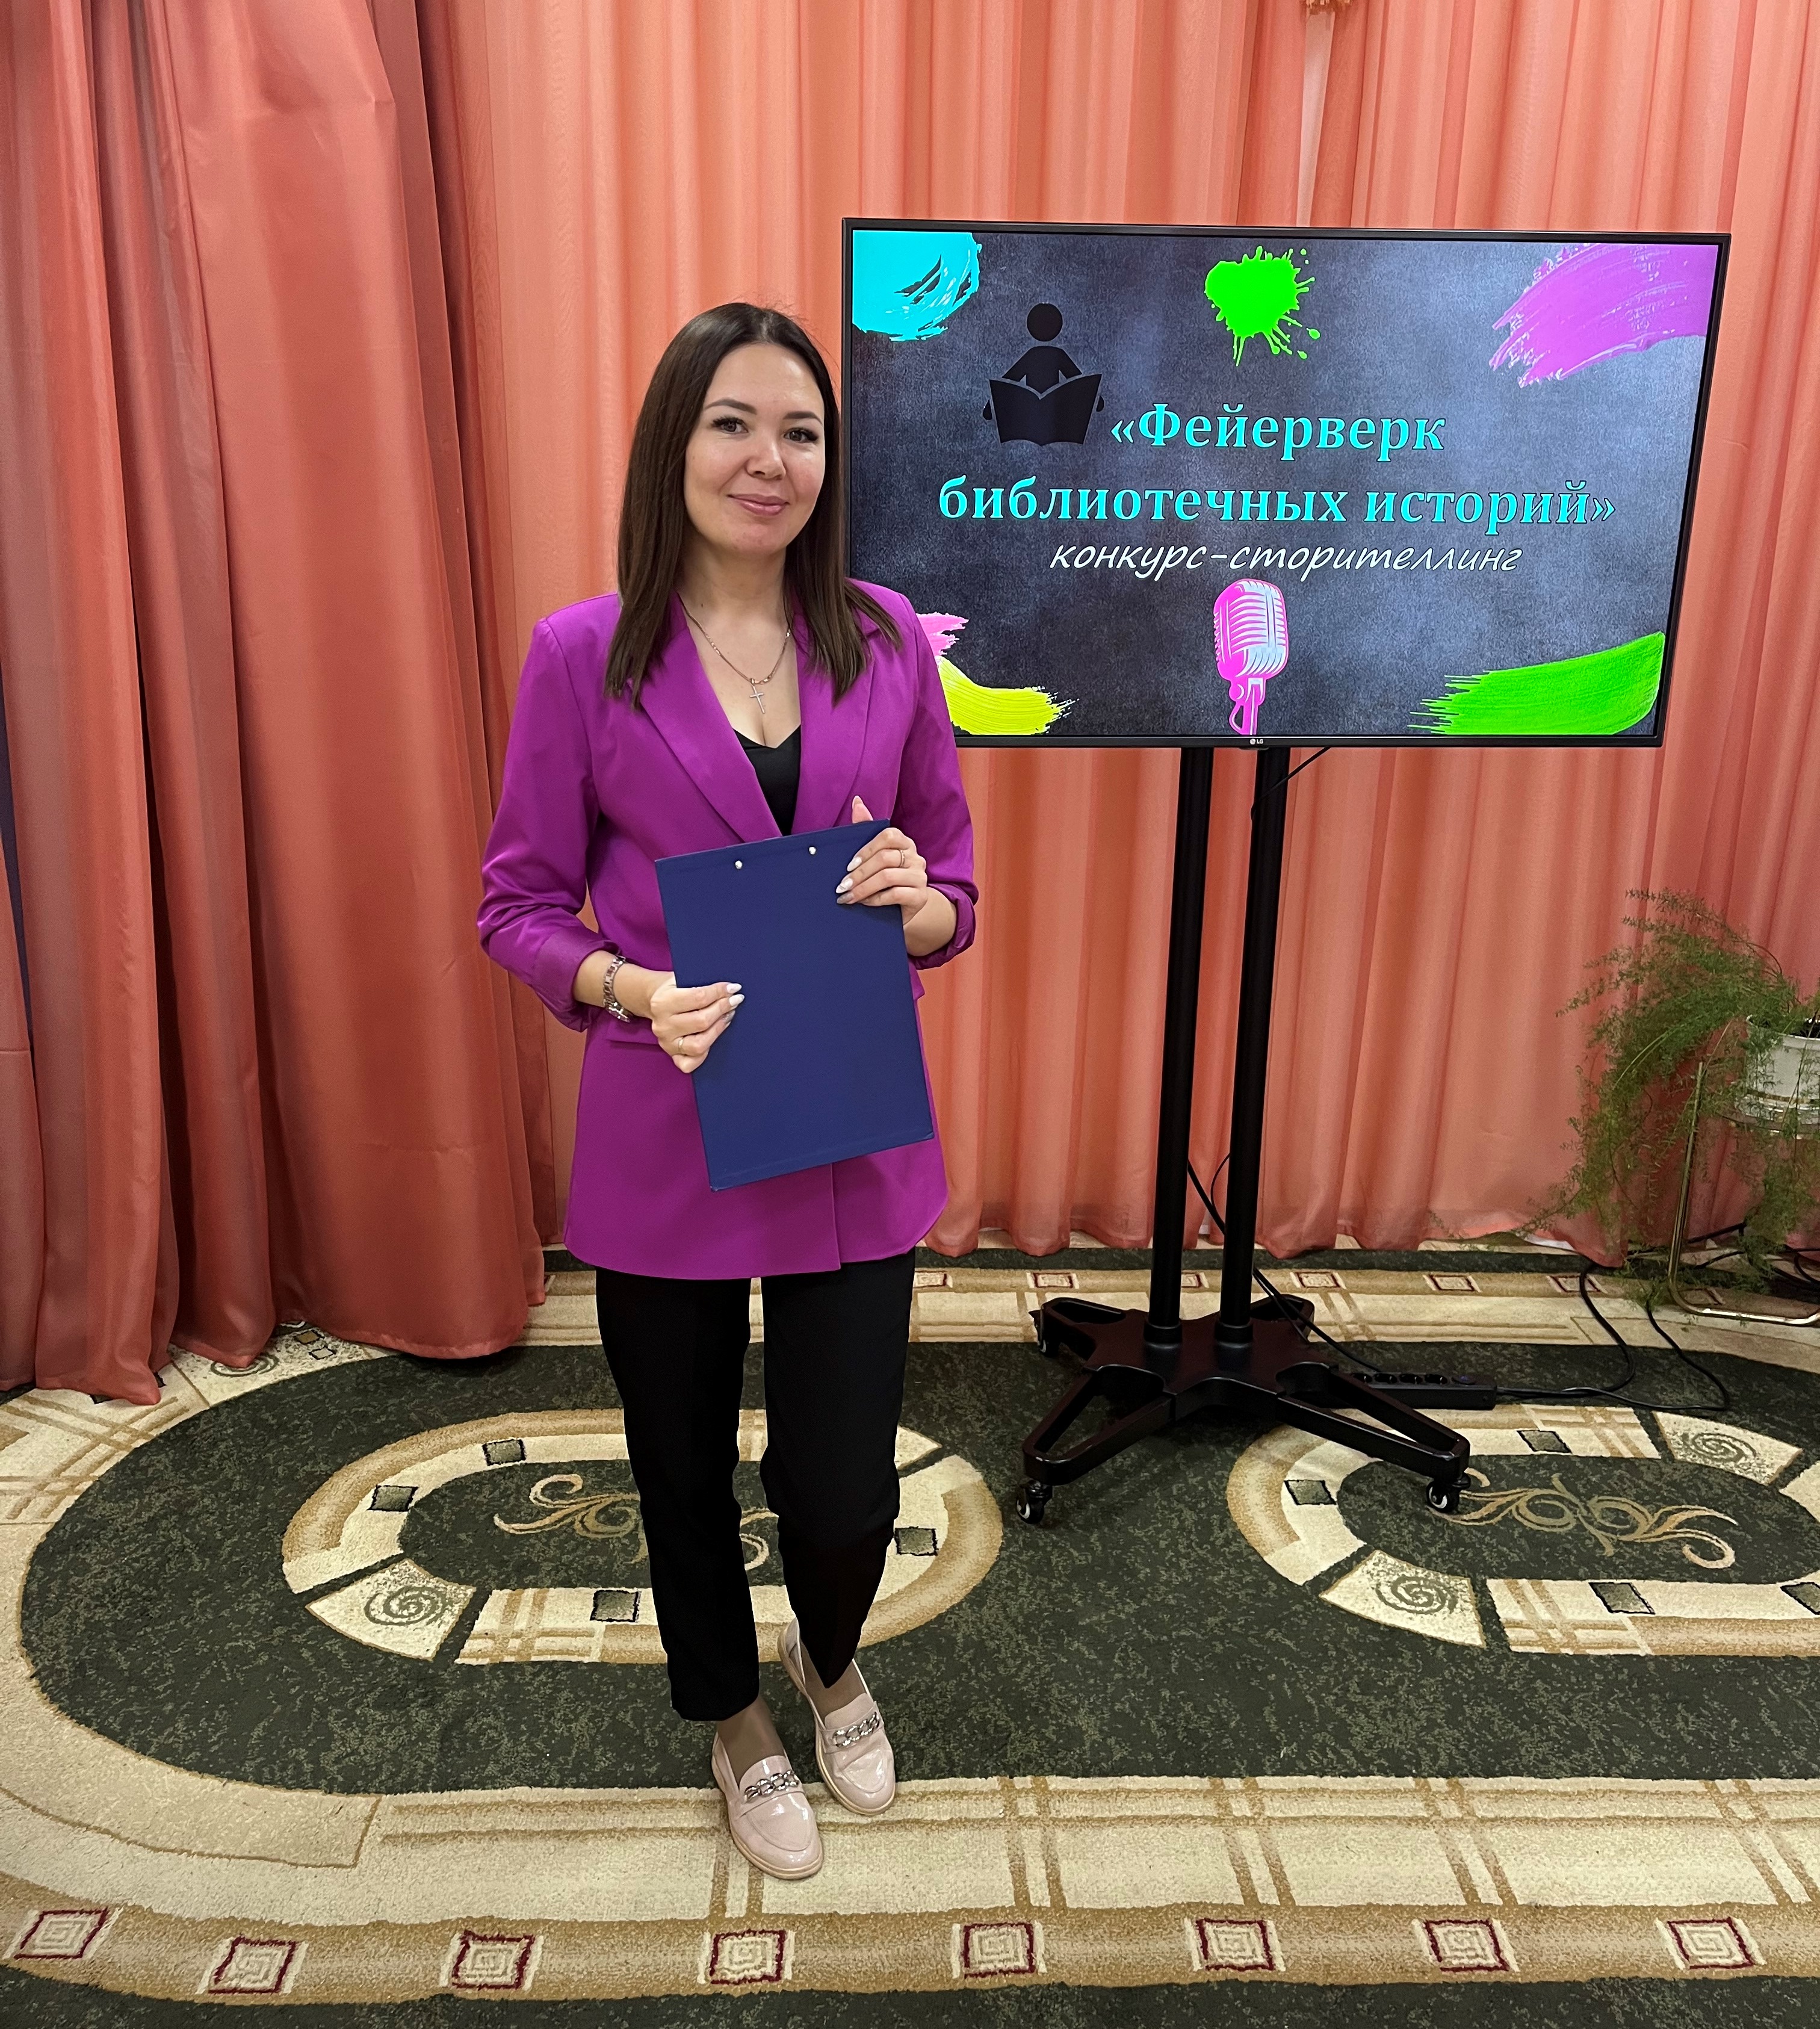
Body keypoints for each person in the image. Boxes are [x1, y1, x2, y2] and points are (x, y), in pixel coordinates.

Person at [476, 303, 976, 1883]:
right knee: (679, 1462)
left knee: (842, 1482)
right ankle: (734, 1717)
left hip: (845, 1119)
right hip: (668, 1121)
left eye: (802, 432)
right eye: (735, 425)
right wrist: (625, 985)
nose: (772, 461)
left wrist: (919, 901)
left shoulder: (886, 638)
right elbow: (517, 905)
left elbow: (953, 884)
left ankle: (829, 1659)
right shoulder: (585, 654)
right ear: (674, 448)